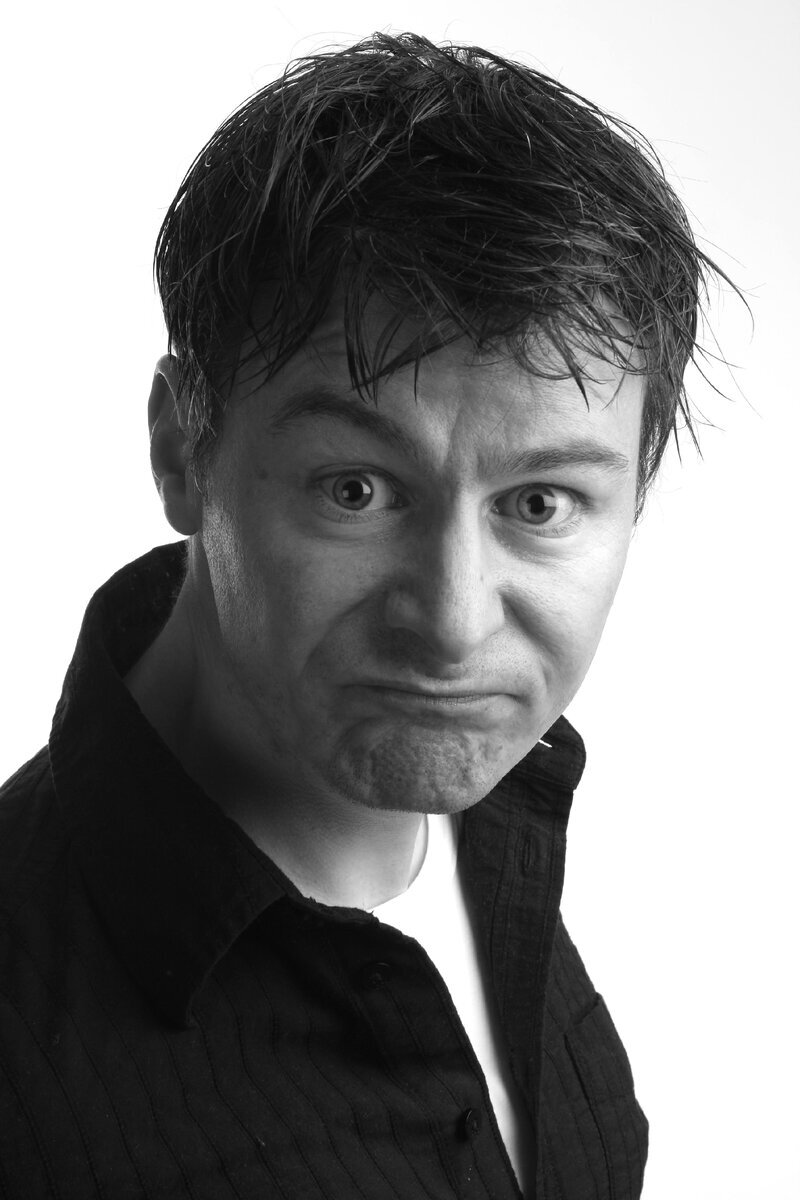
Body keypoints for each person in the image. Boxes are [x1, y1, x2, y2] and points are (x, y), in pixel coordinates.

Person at [0, 31, 734, 1200]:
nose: (450, 623)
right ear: (183, 452)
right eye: (356, 490)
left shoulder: (498, 825)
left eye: (539, 503)